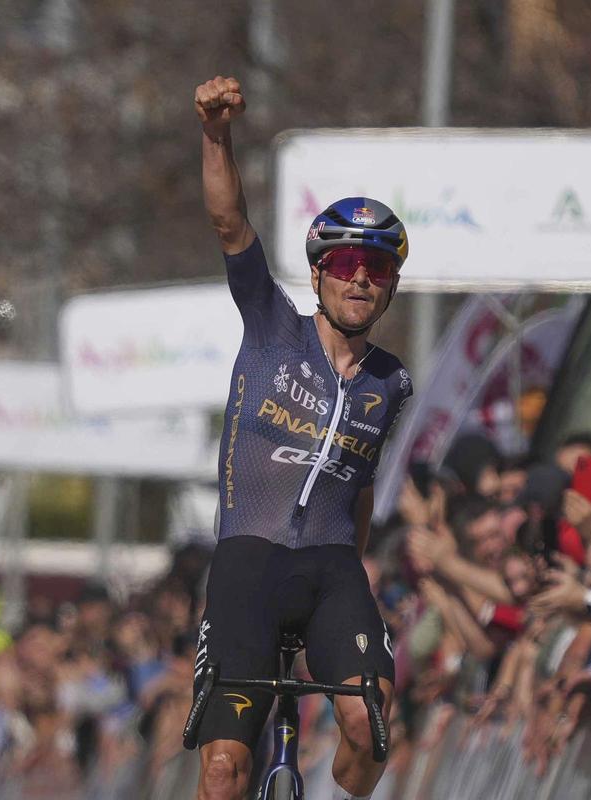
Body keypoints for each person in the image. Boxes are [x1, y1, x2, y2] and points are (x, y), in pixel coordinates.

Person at [191, 75, 413, 800]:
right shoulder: (271, 328)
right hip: (248, 564)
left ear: (391, 285)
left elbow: (361, 491)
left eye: (377, 268)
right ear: (319, 274)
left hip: (331, 574)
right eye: (345, 264)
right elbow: (230, 224)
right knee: (223, 771)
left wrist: (352, 579)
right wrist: (216, 133)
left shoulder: (391, 383)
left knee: (371, 728)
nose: (360, 279)